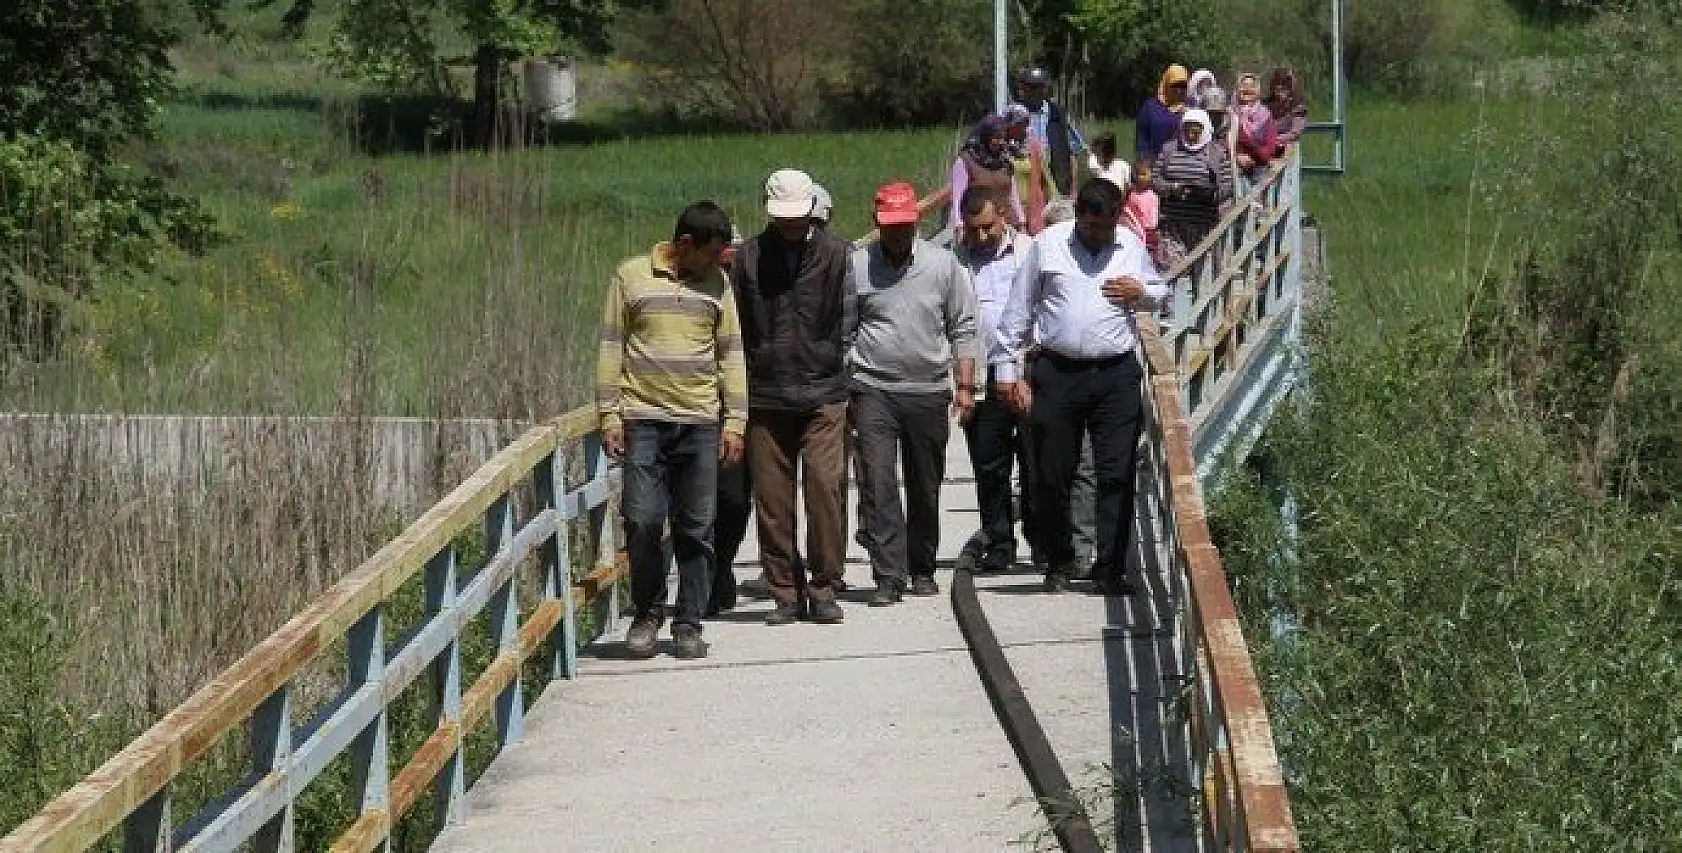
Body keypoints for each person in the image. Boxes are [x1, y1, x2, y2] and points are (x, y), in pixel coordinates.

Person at [989, 178, 1168, 595]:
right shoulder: (1049, 245)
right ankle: (1058, 559)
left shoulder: (1129, 245)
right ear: (1079, 219)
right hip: (1057, 371)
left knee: (1116, 472)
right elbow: (1019, 309)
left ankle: (1109, 567)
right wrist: (1006, 372)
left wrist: (1141, 292)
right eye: (1091, 227)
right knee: (1052, 474)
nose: (1099, 236)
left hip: (1114, 374)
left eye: (1105, 227)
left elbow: (1161, 290)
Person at [598, 201, 748, 659]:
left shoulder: (718, 286)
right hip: (644, 419)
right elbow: (610, 345)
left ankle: (688, 621)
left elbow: (731, 355)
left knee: (696, 526)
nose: (718, 261)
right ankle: (647, 612)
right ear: (686, 244)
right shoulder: (631, 277)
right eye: (712, 251)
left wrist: (735, 422)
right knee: (642, 521)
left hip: (700, 423)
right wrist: (609, 414)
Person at [730, 169, 854, 627]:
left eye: (798, 218)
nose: (792, 226)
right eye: (783, 218)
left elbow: (851, 317)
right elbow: (737, 325)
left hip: (824, 391)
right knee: (773, 500)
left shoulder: (838, 255)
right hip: (766, 395)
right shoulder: (746, 260)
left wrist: (843, 372)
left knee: (824, 488)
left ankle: (824, 586)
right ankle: (784, 591)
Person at [848, 182, 979, 604]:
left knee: (925, 483)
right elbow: (843, 327)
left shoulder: (943, 266)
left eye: (905, 227)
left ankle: (922, 566)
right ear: (877, 224)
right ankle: (888, 574)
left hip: (927, 389)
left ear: (916, 223)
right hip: (873, 388)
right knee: (877, 480)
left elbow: (963, 326)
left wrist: (965, 386)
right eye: (890, 227)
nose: (898, 235)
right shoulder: (858, 267)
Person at [953, 187, 1035, 574]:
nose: (981, 237)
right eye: (973, 230)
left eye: (988, 227)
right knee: (990, 465)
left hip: (1026, 369)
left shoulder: (1029, 252)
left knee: (1038, 461)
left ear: (1003, 215)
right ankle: (999, 542)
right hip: (981, 374)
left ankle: (1044, 540)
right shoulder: (956, 261)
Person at [1153, 109, 1233, 265]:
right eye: (1187, 130)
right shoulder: (1169, 149)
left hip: (1204, 224)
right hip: (1172, 224)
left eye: (1196, 131)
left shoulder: (1216, 153)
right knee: (1173, 271)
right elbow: (1156, 179)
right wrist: (1171, 188)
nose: (1191, 135)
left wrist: (1208, 194)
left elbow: (1227, 185)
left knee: (1204, 272)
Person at [1015, 66, 1085, 197]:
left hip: (1056, 179)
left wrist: (1073, 189)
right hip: (1025, 178)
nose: (1036, 91)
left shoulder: (1059, 114)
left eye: (1040, 87)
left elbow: (1072, 153)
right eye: (1032, 87)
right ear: (1023, 88)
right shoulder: (1014, 113)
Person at [950, 115, 1026, 232]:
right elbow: (957, 197)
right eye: (996, 138)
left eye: (1003, 138)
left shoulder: (1004, 161)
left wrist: (1021, 221)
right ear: (985, 137)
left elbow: (1012, 193)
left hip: (1006, 225)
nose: (1000, 142)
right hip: (978, 227)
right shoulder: (966, 160)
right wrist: (958, 225)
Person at [1136, 64, 1189, 162]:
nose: (1179, 90)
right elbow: (1142, 139)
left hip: (1182, 166)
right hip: (1154, 164)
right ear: (1166, 84)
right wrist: (1144, 162)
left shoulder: (1192, 109)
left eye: (1183, 86)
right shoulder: (1150, 107)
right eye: (1174, 85)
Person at [1234, 73, 1279, 182]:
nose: (1247, 89)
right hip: (1235, 165)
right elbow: (1223, 142)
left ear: (1258, 91)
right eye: (1244, 85)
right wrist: (1237, 156)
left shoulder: (1265, 114)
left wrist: (1255, 156)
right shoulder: (1230, 113)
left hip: (1259, 166)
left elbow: (1269, 147)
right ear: (1237, 90)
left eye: (1252, 86)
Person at [1265, 67, 1309, 157]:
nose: (1280, 87)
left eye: (1284, 84)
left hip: (1288, 147)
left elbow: (1295, 132)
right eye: (1277, 84)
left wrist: (1276, 139)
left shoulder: (1297, 106)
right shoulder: (1265, 105)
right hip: (1266, 146)